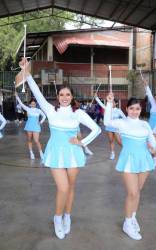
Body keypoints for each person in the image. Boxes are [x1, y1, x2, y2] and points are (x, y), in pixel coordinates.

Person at [16, 58, 101, 239]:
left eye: (67, 95)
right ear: (58, 97)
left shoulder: (78, 113)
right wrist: (26, 72)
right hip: (55, 153)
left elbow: (97, 129)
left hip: (74, 154)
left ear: (72, 98)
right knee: (62, 188)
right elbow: (37, 92)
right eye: (61, 95)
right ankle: (57, 217)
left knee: (70, 187)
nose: (64, 98)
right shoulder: (50, 110)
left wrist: (82, 142)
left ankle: (67, 216)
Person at [104, 93, 156, 240]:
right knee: (132, 193)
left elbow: (151, 140)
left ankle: (133, 217)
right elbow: (107, 121)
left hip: (144, 160)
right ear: (126, 109)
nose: (134, 111)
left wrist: (153, 148)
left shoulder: (145, 124)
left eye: (137, 109)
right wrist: (109, 104)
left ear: (141, 110)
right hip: (128, 160)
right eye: (132, 108)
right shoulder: (121, 123)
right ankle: (127, 223)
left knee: (138, 191)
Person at [15, 93, 46, 160]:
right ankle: (31, 153)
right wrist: (17, 97)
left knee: (36, 140)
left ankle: (41, 153)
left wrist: (40, 122)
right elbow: (21, 104)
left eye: (34, 104)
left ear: (36, 104)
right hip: (29, 126)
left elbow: (44, 116)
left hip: (36, 127)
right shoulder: (28, 109)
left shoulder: (38, 110)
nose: (33, 105)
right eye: (32, 104)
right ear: (29, 104)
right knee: (29, 140)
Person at [95, 95, 126, 160]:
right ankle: (112, 153)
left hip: (116, 128)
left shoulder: (118, 110)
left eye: (113, 102)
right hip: (109, 127)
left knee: (119, 141)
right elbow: (101, 104)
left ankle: (127, 151)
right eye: (111, 102)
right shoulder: (107, 108)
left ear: (116, 103)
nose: (112, 103)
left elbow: (124, 118)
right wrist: (96, 98)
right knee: (111, 140)